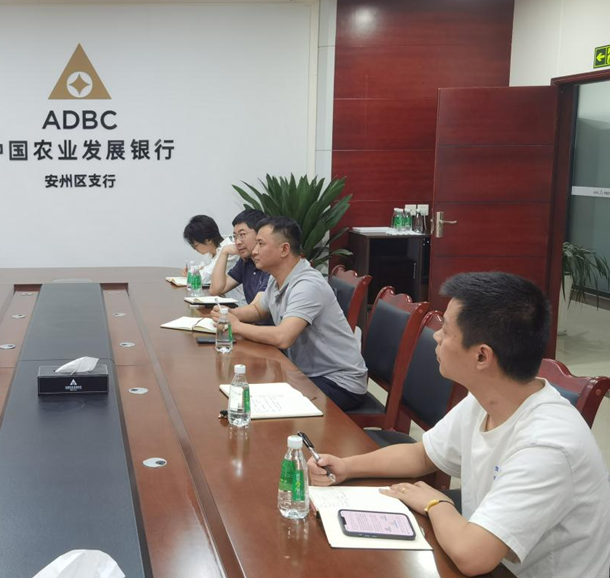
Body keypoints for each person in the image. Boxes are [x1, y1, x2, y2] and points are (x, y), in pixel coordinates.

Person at [307, 272, 610, 578]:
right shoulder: (487, 397)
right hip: (488, 551)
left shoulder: (547, 444)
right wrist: (346, 467)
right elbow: (423, 455)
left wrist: (435, 502)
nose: (436, 336)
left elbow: (472, 556)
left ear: (482, 356)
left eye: (447, 331)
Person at [212, 216, 367, 410]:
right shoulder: (276, 277)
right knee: (251, 391)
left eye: (261, 244)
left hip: (338, 381)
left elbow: (283, 337)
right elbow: (259, 310)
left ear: (284, 249)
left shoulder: (307, 285)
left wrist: (236, 326)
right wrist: (230, 314)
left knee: (261, 403)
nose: (255, 250)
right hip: (305, 373)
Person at [209, 209, 271, 322]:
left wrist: (227, 313)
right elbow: (216, 290)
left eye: (242, 235)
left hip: (266, 329)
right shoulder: (246, 261)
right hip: (251, 325)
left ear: (260, 234)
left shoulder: (271, 264)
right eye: (235, 236)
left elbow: (257, 310)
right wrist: (224, 252)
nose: (237, 242)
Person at [181, 214, 244, 305]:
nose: (195, 249)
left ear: (208, 240)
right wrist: (194, 272)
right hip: (222, 298)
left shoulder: (229, 250)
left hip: (237, 302)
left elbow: (203, 278)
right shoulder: (211, 252)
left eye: (195, 246)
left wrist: (194, 274)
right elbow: (200, 270)